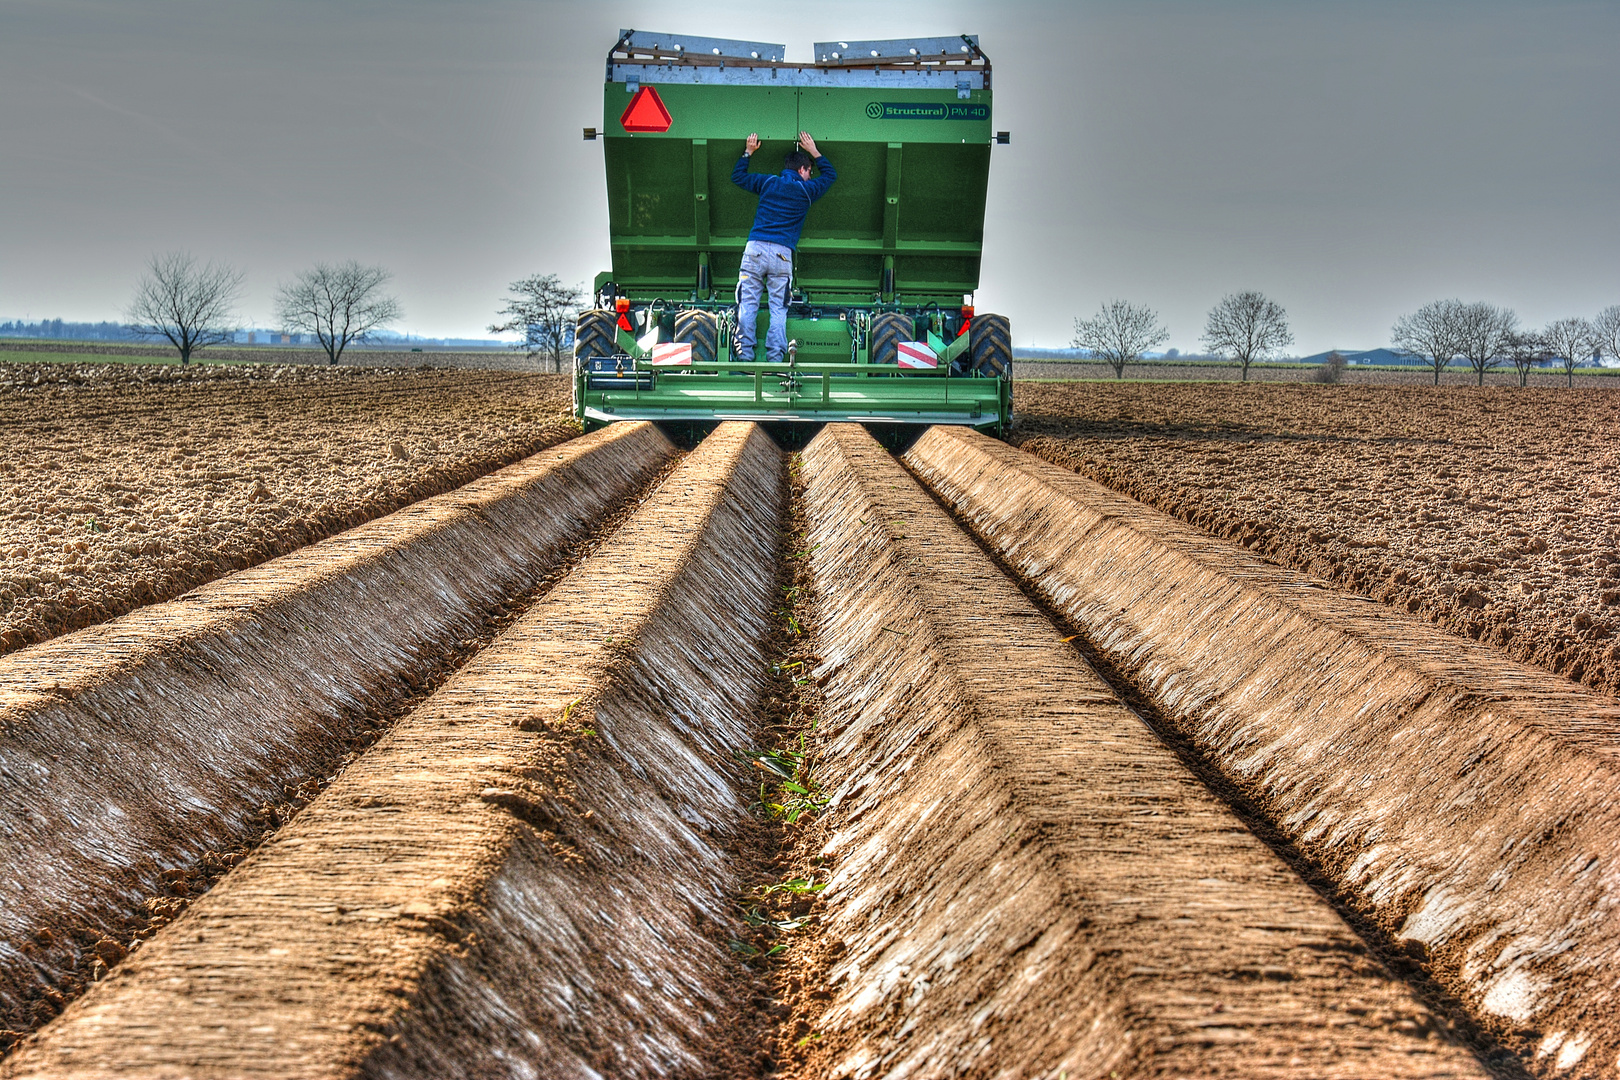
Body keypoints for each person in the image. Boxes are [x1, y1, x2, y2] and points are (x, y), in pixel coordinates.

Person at [731, 131, 836, 363]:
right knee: (778, 308)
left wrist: (748, 151)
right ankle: (775, 357)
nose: (811, 176)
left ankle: (745, 354)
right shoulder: (806, 191)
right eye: (810, 171)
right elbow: (830, 176)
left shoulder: (768, 182)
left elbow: (738, 177)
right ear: (802, 170)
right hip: (782, 254)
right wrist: (814, 151)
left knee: (748, 303)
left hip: (755, 250)